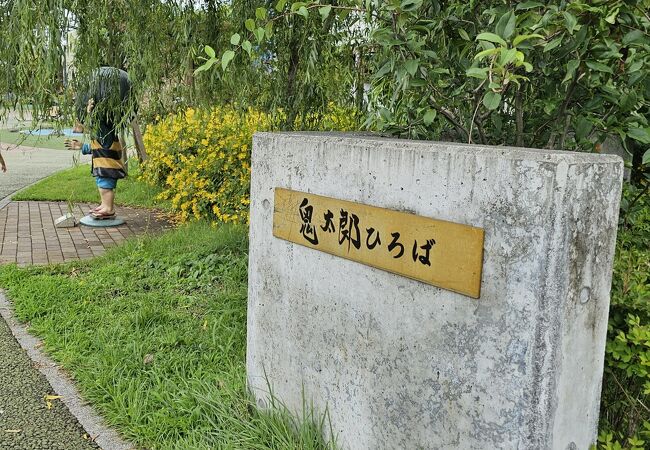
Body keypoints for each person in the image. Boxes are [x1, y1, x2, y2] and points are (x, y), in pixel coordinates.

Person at [65, 67, 133, 219]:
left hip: (107, 167)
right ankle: (105, 205)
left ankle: (108, 208)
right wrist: (81, 146)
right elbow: (95, 147)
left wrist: (90, 111)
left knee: (105, 187)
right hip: (104, 166)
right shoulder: (102, 135)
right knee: (102, 186)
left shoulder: (105, 132)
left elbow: (98, 122)